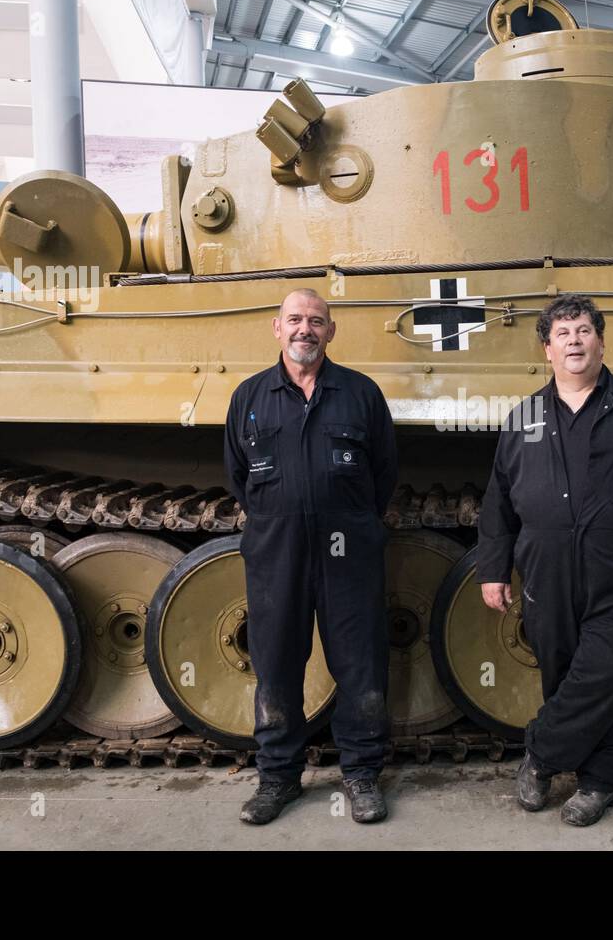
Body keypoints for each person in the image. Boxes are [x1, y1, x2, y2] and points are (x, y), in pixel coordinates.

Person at [477, 294, 613, 826]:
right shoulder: (522, 417)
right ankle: (599, 784)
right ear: (546, 349)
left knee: (604, 674)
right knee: (564, 676)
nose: (574, 340)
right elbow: (499, 499)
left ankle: (540, 756)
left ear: (601, 340)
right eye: (563, 333)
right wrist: (493, 569)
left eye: (584, 330)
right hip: (546, 573)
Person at [224, 287, 398, 825]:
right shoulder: (249, 398)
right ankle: (278, 777)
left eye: (316, 321)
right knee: (276, 664)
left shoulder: (360, 394)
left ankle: (363, 774)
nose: (305, 329)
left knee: (360, 664)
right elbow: (238, 477)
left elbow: (384, 476)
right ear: (277, 328)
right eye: (295, 319)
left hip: (349, 554)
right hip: (278, 554)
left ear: (330, 331)